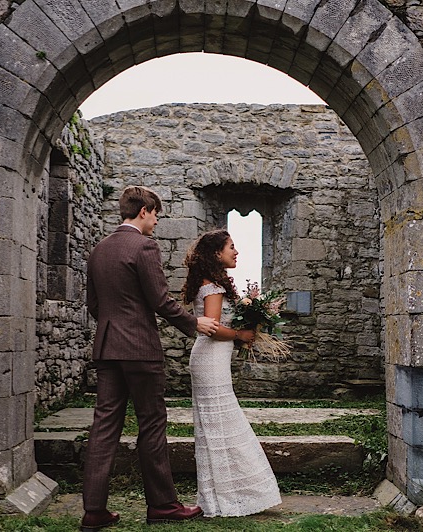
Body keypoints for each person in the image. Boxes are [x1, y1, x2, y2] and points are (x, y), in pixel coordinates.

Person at [81, 186, 218, 530]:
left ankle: (93, 511)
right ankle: (163, 505)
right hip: (140, 349)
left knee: (104, 427)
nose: (156, 220)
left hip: (107, 347)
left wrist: (114, 329)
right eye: (155, 213)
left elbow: (94, 306)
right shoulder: (143, 245)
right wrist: (193, 322)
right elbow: (159, 299)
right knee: (152, 424)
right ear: (143, 211)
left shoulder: (98, 250)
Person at [181, 230, 282, 517]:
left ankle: (222, 496)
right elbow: (212, 328)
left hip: (212, 360)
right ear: (216, 254)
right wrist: (240, 333)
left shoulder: (211, 283)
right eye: (231, 247)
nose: (236, 252)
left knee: (217, 427)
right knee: (221, 426)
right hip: (210, 360)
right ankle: (226, 497)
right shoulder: (212, 287)